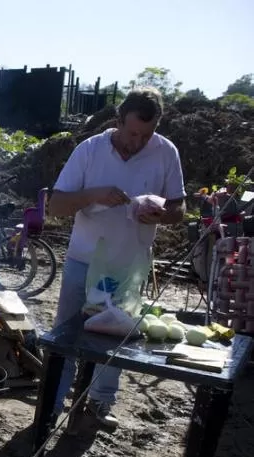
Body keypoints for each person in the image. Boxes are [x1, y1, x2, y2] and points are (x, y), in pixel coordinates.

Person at [47, 88, 186, 429]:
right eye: (132, 132)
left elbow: (179, 209)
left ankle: (100, 402)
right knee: (66, 336)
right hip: (84, 259)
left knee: (115, 341)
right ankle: (51, 405)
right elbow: (57, 205)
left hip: (129, 268)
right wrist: (94, 194)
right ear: (119, 121)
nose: (137, 142)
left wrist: (161, 215)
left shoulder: (166, 152)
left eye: (146, 135)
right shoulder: (90, 150)